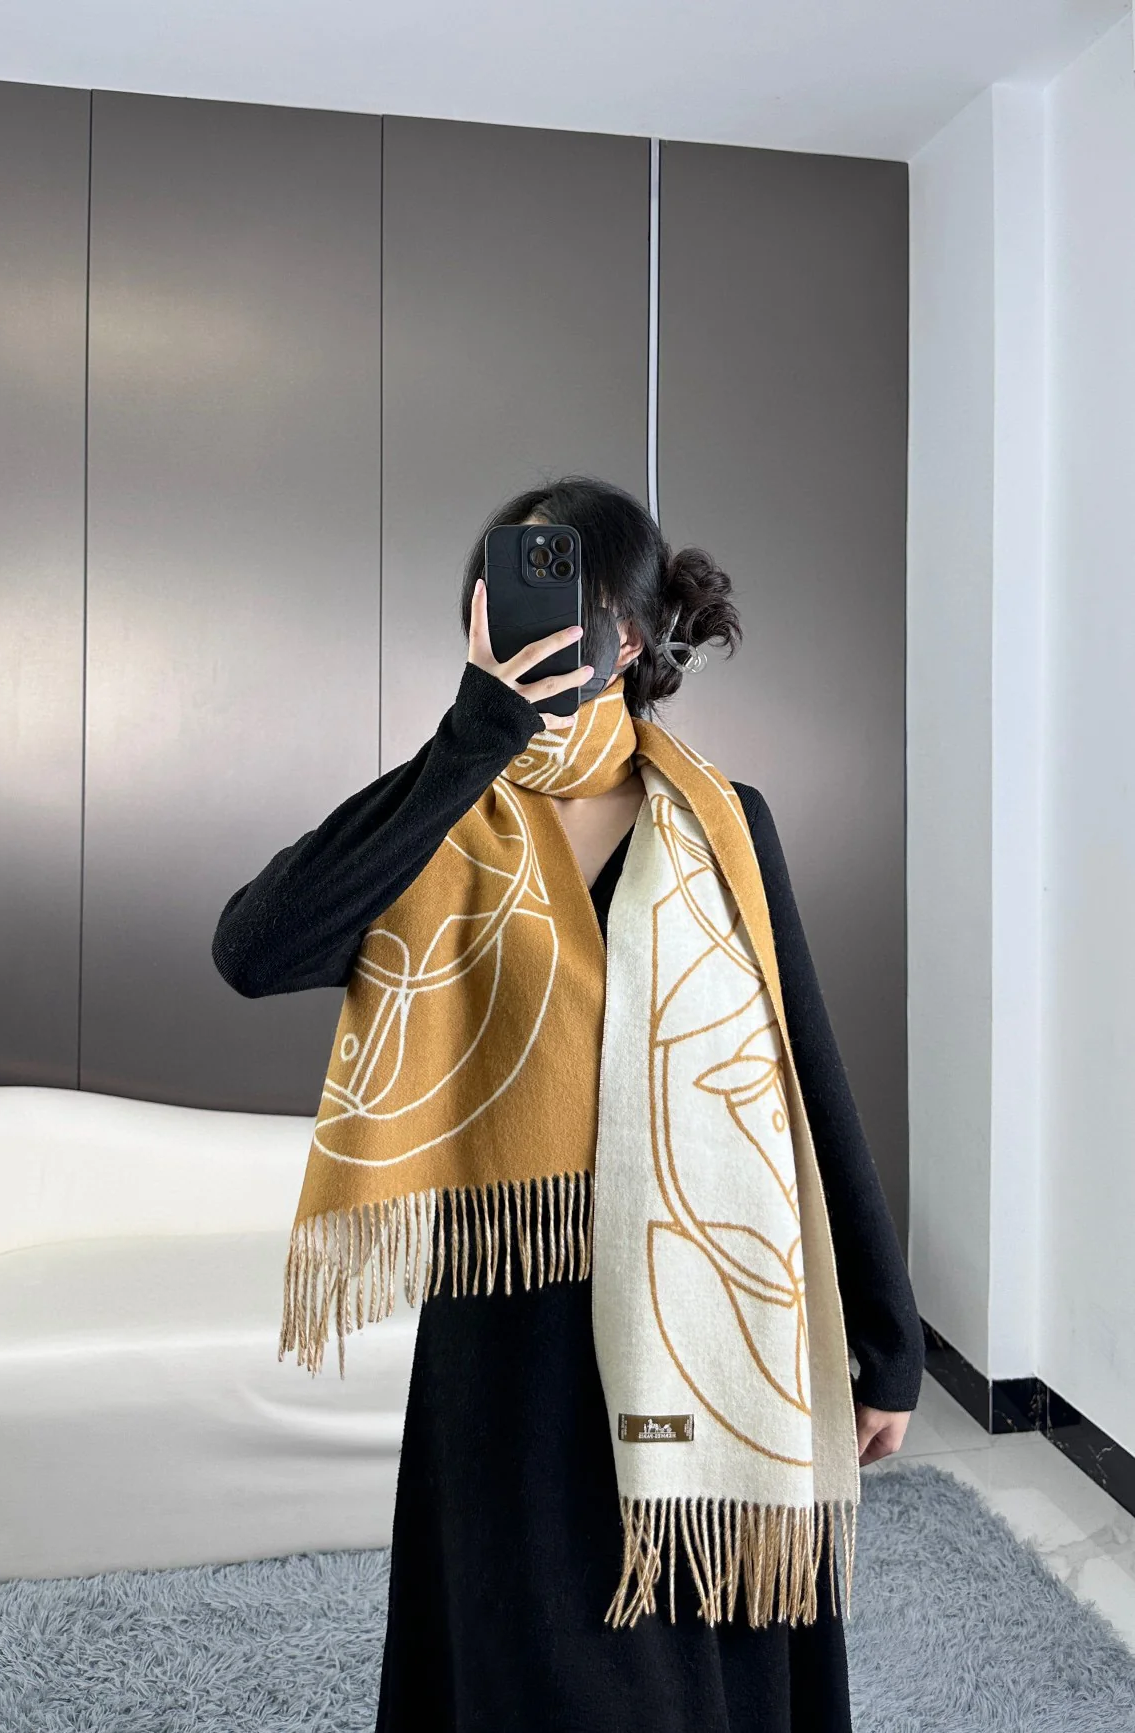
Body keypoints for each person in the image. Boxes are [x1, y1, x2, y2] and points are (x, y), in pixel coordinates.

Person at [212, 476, 924, 1733]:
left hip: (704, 1302)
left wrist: (886, 1336)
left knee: (691, 1658)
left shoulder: (723, 825)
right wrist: (470, 737)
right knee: (535, 1664)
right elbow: (254, 948)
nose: (519, 621)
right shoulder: (442, 814)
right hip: (514, 1330)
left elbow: (806, 1069)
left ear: (628, 635)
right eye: (499, 594)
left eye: (558, 598)